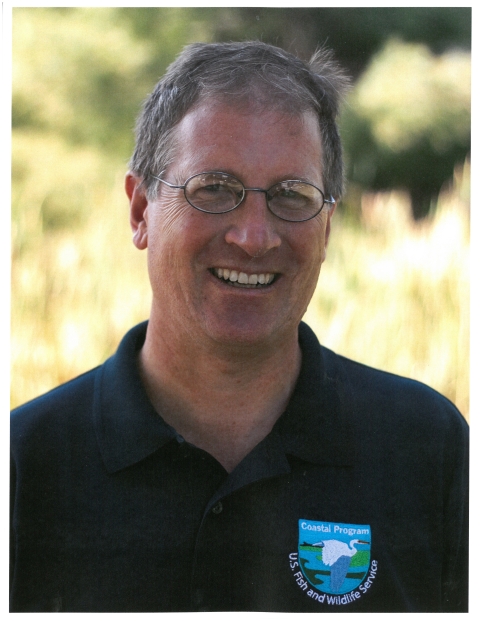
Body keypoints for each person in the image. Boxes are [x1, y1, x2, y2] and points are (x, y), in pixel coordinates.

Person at [10, 41, 468, 613]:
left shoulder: (431, 451)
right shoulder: (25, 467)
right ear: (139, 210)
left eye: (291, 196)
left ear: (326, 228)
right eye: (215, 190)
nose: (254, 237)